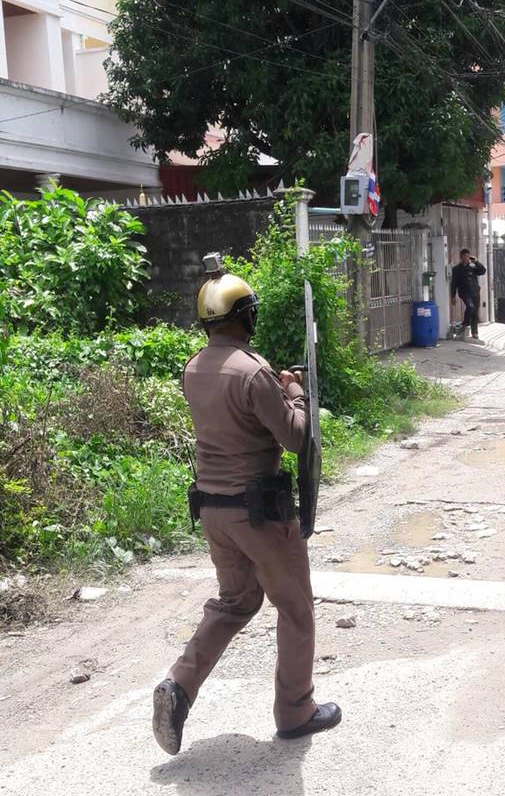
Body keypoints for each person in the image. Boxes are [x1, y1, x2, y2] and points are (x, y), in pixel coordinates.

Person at [152, 273, 342, 755]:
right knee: (295, 609)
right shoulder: (254, 372)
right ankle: (296, 711)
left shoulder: (194, 368)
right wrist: (294, 392)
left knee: (235, 602)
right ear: (244, 316)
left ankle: (178, 685)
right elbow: (295, 438)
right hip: (259, 513)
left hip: (213, 511)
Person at [451, 248, 486, 340]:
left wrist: (476, 262)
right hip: (464, 293)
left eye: (468, 256)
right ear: (461, 257)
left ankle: (475, 332)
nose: (466, 258)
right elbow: (454, 283)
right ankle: (465, 323)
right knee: (470, 307)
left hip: (475, 292)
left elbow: (483, 271)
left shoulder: (472, 266)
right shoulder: (456, 269)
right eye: (465, 256)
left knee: (475, 312)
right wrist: (453, 296)